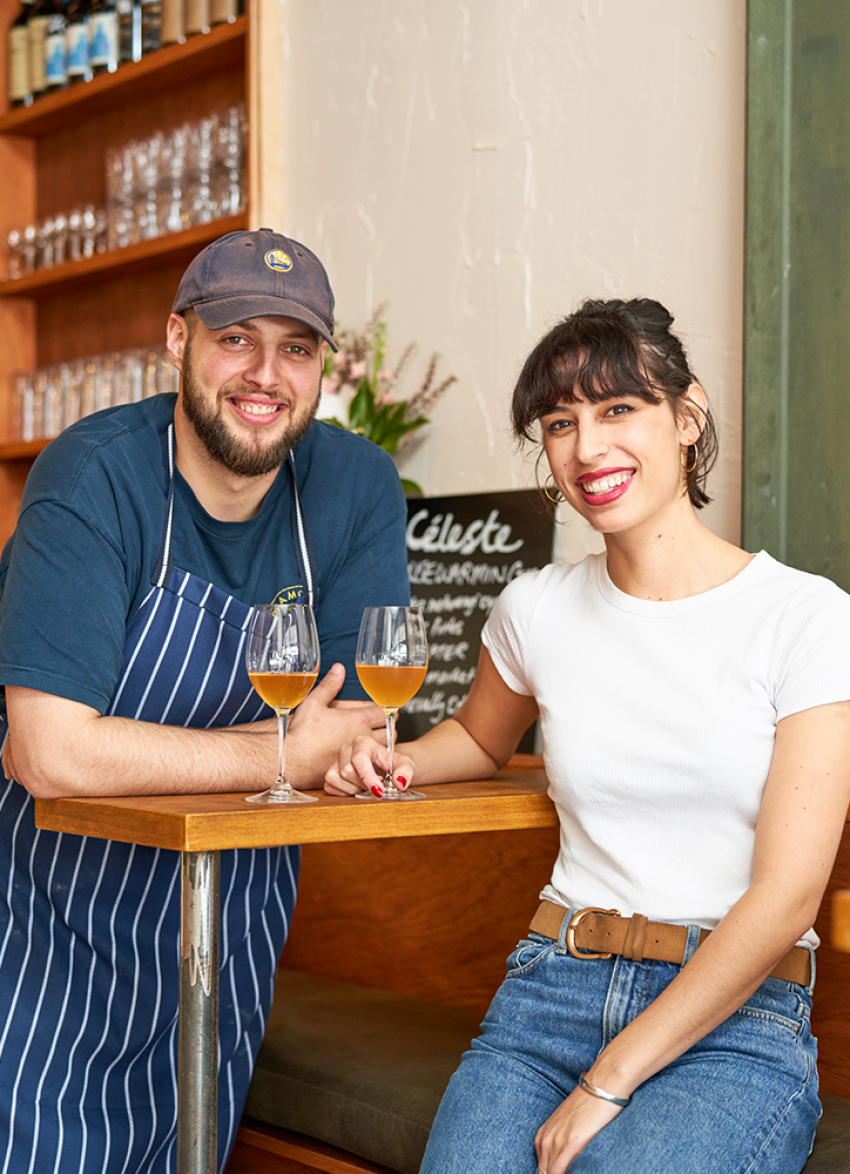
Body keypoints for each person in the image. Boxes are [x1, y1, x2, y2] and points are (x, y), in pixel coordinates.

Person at [325, 298, 850, 1174]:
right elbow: (479, 741)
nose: (586, 448)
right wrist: (396, 758)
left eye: (618, 410)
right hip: (549, 994)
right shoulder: (536, 607)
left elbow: (788, 900)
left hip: (733, 1020)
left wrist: (611, 1076)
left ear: (688, 417)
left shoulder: (804, 618)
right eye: (560, 422)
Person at [0, 228, 409, 1172]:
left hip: (227, 929)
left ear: (320, 370)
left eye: (296, 348)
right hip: (41, 927)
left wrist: (130, 744)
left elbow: (360, 730)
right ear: (178, 341)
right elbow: (49, 754)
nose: (266, 374)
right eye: (236, 338)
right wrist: (276, 754)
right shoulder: (95, 475)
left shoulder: (353, 486)